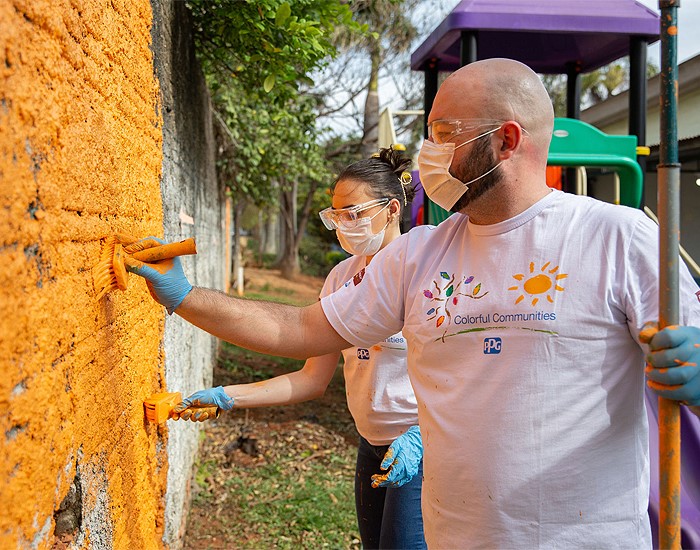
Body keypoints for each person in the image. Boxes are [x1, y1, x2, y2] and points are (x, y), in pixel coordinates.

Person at [124, 58, 700, 548]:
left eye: (445, 132)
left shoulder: (620, 239)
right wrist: (183, 295)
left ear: (506, 139)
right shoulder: (419, 255)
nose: (428, 152)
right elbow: (302, 329)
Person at [162, 148, 426, 549]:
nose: (342, 224)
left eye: (353, 213)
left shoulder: (423, 270)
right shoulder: (341, 278)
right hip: (372, 445)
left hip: (420, 451)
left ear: (391, 209)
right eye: (336, 214)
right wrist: (229, 396)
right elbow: (311, 377)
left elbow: (464, 371)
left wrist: (425, 435)